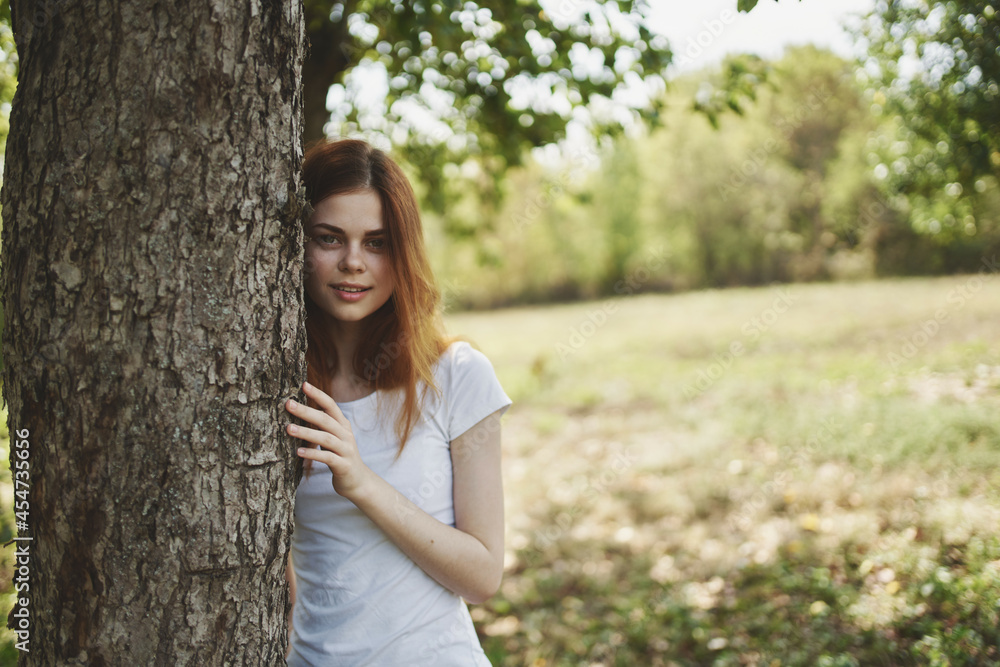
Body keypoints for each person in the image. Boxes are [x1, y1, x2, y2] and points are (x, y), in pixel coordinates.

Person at [284, 138, 511, 666]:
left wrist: (362, 483)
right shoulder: (273, 391)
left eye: (377, 242)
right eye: (329, 238)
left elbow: (482, 576)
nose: (353, 262)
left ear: (402, 252)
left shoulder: (456, 377)